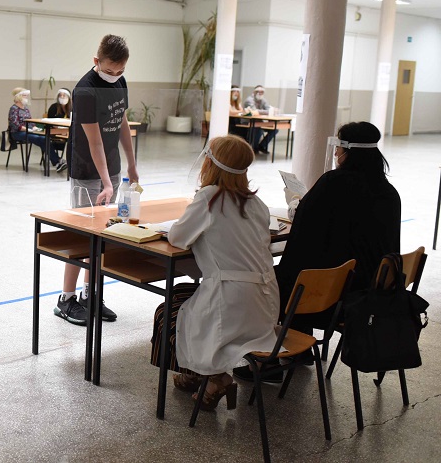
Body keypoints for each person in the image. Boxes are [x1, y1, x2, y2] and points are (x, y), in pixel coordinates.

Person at [150, 135, 279, 409]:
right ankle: (198, 372)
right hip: (265, 302)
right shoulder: (258, 204)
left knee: (168, 311)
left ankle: (214, 377)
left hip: (232, 301)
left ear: (209, 164)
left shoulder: (208, 198)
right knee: (183, 294)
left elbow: (177, 237)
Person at [275, 121, 401, 333]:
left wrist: (295, 202)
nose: (336, 153)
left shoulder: (333, 182)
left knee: (285, 276)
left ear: (349, 150)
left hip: (336, 295)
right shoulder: (388, 192)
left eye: (338, 147)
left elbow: (305, 222)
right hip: (373, 289)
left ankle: (295, 341)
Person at [54, 34, 138, 325]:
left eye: (120, 70)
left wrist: (131, 165)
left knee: (101, 235)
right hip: (87, 170)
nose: (115, 75)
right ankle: (65, 299)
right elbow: (95, 141)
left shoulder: (120, 82)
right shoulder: (85, 91)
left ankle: (90, 295)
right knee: (82, 235)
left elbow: (122, 123)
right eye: (110, 70)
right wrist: (106, 182)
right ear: (96, 61)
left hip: (110, 169)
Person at [7, 87, 63, 170]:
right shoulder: (14, 109)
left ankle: (57, 161)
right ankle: (57, 161)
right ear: (18, 97)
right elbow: (15, 124)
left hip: (28, 131)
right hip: (17, 133)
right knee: (39, 139)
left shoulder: (26, 109)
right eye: (24, 96)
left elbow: (30, 121)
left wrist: (35, 128)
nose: (26, 97)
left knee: (44, 138)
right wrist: (28, 130)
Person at [243, 85, 278, 154]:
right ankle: (254, 148)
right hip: (248, 121)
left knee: (274, 129)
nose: (260, 93)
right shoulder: (249, 100)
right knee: (258, 128)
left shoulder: (263, 100)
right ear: (254, 92)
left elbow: (268, 109)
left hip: (259, 122)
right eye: (258, 92)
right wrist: (265, 111)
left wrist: (261, 111)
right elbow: (254, 111)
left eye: (262, 92)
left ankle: (262, 146)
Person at [46, 88, 72, 172]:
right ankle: (62, 162)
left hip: (67, 131)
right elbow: (50, 122)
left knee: (73, 138)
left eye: (64, 96)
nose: (62, 97)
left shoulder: (72, 107)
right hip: (55, 131)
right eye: (60, 95)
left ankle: (69, 162)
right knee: (69, 138)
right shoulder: (54, 107)